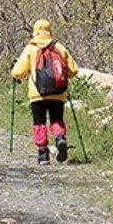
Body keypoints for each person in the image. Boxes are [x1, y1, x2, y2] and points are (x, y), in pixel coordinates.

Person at [11, 19, 78, 165]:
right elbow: (73, 70)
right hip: (58, 93)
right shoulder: (59, 47)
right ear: (50, 30)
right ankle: (60, 137)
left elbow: (18, 71)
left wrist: (16, 75)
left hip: (37, 94)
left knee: (39, 122)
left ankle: (43, 154)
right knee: (56, 119)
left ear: (35, 31)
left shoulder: (31, 48)